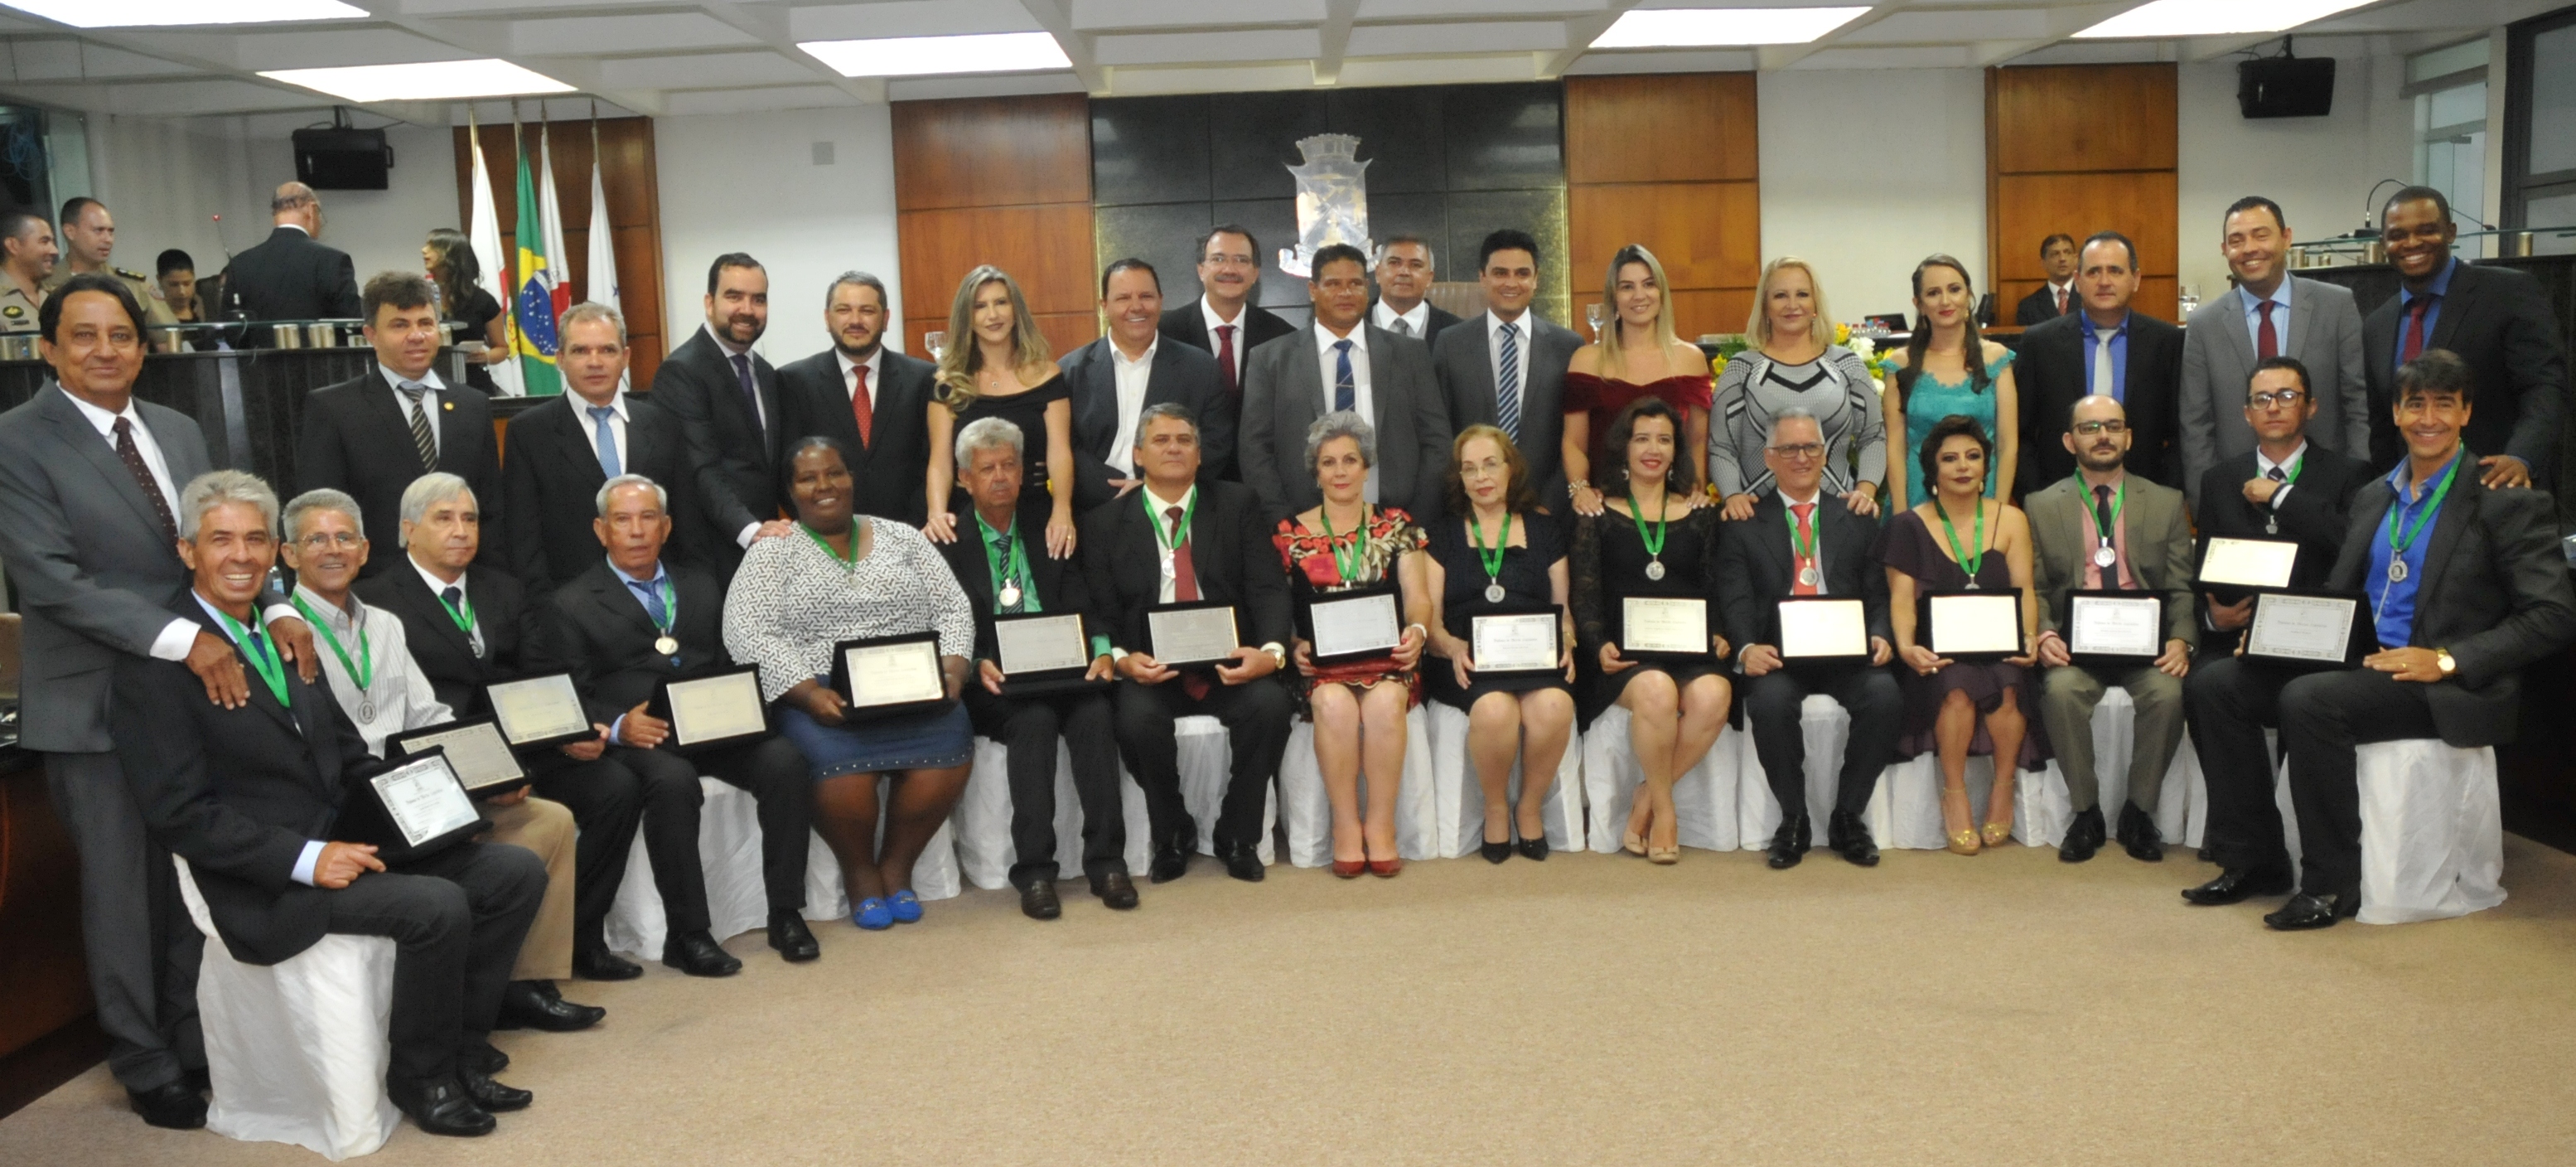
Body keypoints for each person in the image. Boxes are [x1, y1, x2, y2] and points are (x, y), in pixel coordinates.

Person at [114, 470, 544, 1138]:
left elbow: (348, 754)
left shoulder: (285, 635)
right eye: (221, 540)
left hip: (344, 837)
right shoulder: (159, 666)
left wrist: (422, 810)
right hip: (264, 882)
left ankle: (461, 1051)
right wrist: (307, 859)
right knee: (435, 905)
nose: (241, 555)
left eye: (255, 539)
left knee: (512, 871)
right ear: (187, 550)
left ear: (272, 552)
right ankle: (422, 1077)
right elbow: (181, 815)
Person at [0, 275, 318, 1128]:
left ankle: (193, 1036)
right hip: (96, 702)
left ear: (145, 347)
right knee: (121, 892)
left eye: (121, 335)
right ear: (48, 348)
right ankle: (143, 1059)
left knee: (192, 875)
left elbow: (225, 537)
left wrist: (276, 606)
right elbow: (50, 580)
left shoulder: (177, 428)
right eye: (84, 335)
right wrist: (187, 639)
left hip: (192, 696)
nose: (105, 350)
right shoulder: (15, 440)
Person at [2185, 350, 2576, 929]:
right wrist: (2274, 642)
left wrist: (2447, 660)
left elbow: (2553, 614)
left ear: (2466, 413)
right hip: (2360, 661)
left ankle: (2331, 883)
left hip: (2438, 682)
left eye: (2444, 405)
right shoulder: (2374, 496)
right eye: (2415, 404)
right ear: (2396, 413)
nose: (2428, 419)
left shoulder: (2505, 501)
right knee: (2216, 684)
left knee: (2308, 700)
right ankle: (2254, 859)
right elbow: (2339, 594)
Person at [278, 487, 601, 1033]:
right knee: (482, 855)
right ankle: (472, 1000)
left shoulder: (385, 624)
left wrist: (491, 776)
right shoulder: (284, 633)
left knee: (549, 820)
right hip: (354, 802)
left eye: (345, 538)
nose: (333, 550)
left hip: (420, 786)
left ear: (364, 549)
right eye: (316, 540)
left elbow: (428, 715)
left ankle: (522, 984)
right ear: (289, 554)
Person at [355, 474, 651, 984]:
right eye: (444, 519)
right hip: (439, 758)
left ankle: (581, 938)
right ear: (408, 530)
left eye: (469, 519)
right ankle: (506, 971)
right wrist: (491, 771)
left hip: (522, 745)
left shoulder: (504, 588)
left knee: (616, 786)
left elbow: (538, 673)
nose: (461, 531)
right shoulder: (376, 601)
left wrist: (571, 731)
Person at [547, 474, 817, 967]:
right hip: (645, 737)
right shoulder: (570, 602)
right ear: (601, 530)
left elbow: (728, 659)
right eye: (622, 520)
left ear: (667, 527)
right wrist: (618, 725)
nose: (637, 531)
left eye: (648, 518)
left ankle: (786, 913)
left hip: (714, 725)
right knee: (672, 783)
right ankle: (687, 934)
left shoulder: (701, 583)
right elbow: (571, 692)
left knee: (785, 761)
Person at [723, 437, 976, 930]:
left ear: (852, 478)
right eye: (808, 478)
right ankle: (860, 874)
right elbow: (749, 631)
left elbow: (951, 606)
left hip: (914, 683)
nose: (825, 486)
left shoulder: (902, 537)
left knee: (946, 751)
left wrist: (954, 668)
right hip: (821, 693)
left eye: (835, 473)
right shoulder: (772, 552)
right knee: (845, 776)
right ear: (790, 491)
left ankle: (896, 867)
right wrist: (806, 693)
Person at [1080, 404, 1294, 884]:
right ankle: (1172, 832)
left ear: (1199, 455)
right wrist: (1121, 659)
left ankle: (1238, 835)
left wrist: (1271, 654)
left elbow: (1268, 589)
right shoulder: (1104, 524)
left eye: (1184, 440)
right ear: (1138, 455)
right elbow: (1099, 609)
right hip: (1152, 667)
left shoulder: (1237, 504)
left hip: (1228, 662)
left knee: (1270, 706)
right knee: (1135, 720)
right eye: (1161, 440)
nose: (1174, 448)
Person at [934, 419, 1136, 918]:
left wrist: (1103, 649)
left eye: (1009, 465)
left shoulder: (1053, 523)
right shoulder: (947, 541)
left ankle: (1108, 864)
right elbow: (942, 623)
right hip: (997, 679)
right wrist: (974, 663)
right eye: (987, 469)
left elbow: (1089, 597)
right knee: (1034, 721)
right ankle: (1036, 872)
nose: (1000, 476)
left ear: (1024, 471)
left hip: (1064, 666)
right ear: (965, 479)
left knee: (1094, 713)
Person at [1716, 409, 1901, 869]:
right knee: (1770, 702)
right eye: (1789, 449)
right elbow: (1734, 597)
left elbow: (1877, 593)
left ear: (1825, 453)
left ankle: (1848, 817)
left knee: (1885, 696)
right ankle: (1793, 819)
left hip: (1846, 652)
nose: (1801, 457)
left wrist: (1880, 635)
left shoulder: (1856, 516)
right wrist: (1746, 648)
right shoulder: (1744, 521)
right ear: (1768, 458)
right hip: (1778, 653)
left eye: (1811, 447)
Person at [2027, 395, 2196, 863]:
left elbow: (2181, 586)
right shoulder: (2040, 505)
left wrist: (2181, 639)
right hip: (2075, 644)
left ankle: (2139, 812)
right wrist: (2044, 633)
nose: (2103, 436)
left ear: (2129, 437)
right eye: (2090, 427)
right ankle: (2086, 813)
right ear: (2069, 441)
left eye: (2113, 426)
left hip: (2147, 645)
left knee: (2168, 695)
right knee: (2060, 693)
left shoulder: (2165, 501)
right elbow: (2035, 587)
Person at [1570, 397, 1732, 864]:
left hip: (1689, 648)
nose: (1652, 449)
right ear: (1623, 447)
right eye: (1641, 438)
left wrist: (1720, 631)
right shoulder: (1597, 513)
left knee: (1715, 694)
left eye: (1664, 439)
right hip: (1625, 655)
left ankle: (1646, 798)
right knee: (1658, 691)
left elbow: (1714, 584)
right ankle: (1665, 813)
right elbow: (1585, 593)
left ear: (1676, 450)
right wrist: (1598, 644)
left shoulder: (1700, 512)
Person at [1274, 411, 1431, 877]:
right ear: (1316, 472)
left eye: (1350, 460)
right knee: (1334, 706)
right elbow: (1276, 608)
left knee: (1384, 704)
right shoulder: (1288, 534)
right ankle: (1345, 824)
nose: (1340, 471)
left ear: (1366, 467)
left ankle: (1380, 824)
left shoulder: (1397, 524)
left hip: (1389, 659)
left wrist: (1418, 633)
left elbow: (1419, 598)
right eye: (1329, 462)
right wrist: (1293, 643)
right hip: (1320, 667)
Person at [1882, 416, 2046, 855]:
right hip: (1938, 647)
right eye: (1950, 459)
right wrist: (1906, 647)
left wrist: (2029, 636)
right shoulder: (1907, 525)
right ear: (1932, 470)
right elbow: (1901, 599)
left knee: (2010, 685)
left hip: (1998, 641)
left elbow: (2025, 588)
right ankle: (1954, 796)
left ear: (1985, 467)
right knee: (1955, 689)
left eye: (1973, 457)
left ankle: (2002, 789)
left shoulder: (2011, 519)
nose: (1963, 466)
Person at [1421, 424, 1576, 862]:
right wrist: (1451, 647)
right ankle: (1494, 808)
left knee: (1554, 706)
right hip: (1468, 661)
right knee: (1494, 710)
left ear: (1511, 469)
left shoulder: (1545, 530)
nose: (1481, 477)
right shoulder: (1442, 534)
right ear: (1459, 478)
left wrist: (1566, 639)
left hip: (1534, 658)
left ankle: (1528, 805)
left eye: (1490, 465)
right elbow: (1430, 620)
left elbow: (1563, 609)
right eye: (1469, 469)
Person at [297, 271, 504, 578]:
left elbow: (491, 508)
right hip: (376, 587)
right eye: (400, 325)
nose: (416, 335)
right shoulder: (333, 409)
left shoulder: (473, 405)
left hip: (465, 583)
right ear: (371, 334)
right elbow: (320, 514)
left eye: (425, 323)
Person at [2363, 185, 2568, 490]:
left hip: (2495, 488)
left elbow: (2544, 386)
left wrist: (2521, 457)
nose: (2412, 242)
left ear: (2451, 232)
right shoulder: (2377, 324)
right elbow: (2382, 424)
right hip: (2413, 497)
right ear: (2383, 244)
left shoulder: (2508, 292)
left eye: (2427, 230)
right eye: (2397, 235)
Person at [1240, 242, 1453, 525]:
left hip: (1397, 522)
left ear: (1367, 288)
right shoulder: (1270, 359)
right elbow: (1254, 450)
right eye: (1333, 284)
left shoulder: (1409, 354)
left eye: (1355, 283)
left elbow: (1437, 442)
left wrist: (1415, 521)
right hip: (1304, 525)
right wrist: (1286, 524)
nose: (1345, 293)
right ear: (1313, 290)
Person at [2178, 196, 2371, 508]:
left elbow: (2358, 405)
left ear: (2286, 238)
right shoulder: (2204, 324)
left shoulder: (2336, 306)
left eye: (2261, 235)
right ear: (2224, 249)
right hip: (2237, 499)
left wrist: (2359, 491)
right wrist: (2206, 503)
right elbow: (2196, 424)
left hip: (2326, 496)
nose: (2250, 248)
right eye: (2237, 240)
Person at [504, 301, 694, 593]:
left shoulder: (662, 425)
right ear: (560, 358)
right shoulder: (529, 432)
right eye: (580, 351)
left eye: (607, 350)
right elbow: (523, 540)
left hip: (658, 597)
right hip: (568, 603)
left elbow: (687, 525)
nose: (595, 362)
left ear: (625, 357)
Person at [2190, 356, 2371, 657]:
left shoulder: (2349, 474)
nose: (2273, 408)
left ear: (2311, 407)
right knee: (2206, 681)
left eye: (2286, 396)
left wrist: (2281, 496)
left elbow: (2349, 545)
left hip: (2314, 637)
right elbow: (2203, 572)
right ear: (2248, 414)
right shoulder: (2218, 480)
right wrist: (2212, 619)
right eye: (2261, 399)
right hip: (2235, 640)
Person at [1711, 257, 1885, 521]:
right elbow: (1722, 446)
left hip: (1839, 518)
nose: (1792, 305)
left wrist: (1866, 490)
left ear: (1815, 303)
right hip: (1759, 521)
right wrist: (1732, 495)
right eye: (1780, 295)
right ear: (1765, 306)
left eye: (1802, 294)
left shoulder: (1847, 365)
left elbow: (1873, 436)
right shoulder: (1741, 370)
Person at [654, 253, 791, 581]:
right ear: (709, 302)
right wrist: (750, 530)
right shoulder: (681, 372)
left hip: (766, 551)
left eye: (758, 299)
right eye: (734, 296)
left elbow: (769, 468)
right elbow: (701, 468)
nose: (747, 309)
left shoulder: (766, 373)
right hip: (710, 558)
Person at [924, 266, 1075, 558]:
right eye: (980, 306)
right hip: (969, 517)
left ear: (1016, 310)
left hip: (1037, 514)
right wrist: (937, 513)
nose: (992, 315)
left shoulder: (1048, 376)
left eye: (1001, 303)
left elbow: (1060, 453)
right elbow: (940, 461)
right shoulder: (947, 384)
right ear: (967, 317)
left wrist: (1062, 510)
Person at [1060, 257, 1235, 507]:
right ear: (1104, 306)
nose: (1136, 307)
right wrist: (1109, 490)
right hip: (1093, 506)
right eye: (1123, 298)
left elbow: (1214, 444)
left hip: (1175, 504)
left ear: (1161, 301)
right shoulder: (1071, 371)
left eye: (1146, 296)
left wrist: (1153, 488)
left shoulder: (1201, 368)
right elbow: (1064, 446)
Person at [2018, 231, 2187, 491]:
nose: (2104, 282)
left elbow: (2181, 433)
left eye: (2115, 271)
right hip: (2059, 497)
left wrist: (2166, 495)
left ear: (2135, 279)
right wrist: (2035, 497)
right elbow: (2020, 433)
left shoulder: (2167, 342)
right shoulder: (2040, 343)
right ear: (2078, 281)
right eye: (2094, 272)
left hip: (2146, 496)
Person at [776, 270, 938, 525]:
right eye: (844, 310)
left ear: (885, 319)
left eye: (867, 311)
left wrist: (909, 531)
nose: (855, 320)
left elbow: (933, 463)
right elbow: (786, 471)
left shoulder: (924, 379)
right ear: (827, 318)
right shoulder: (794, 382)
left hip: (911, 533)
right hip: (824, 536)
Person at [1562, 245, 1712, 517]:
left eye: (1648, 284)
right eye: (1627, 287)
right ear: (1614, 298)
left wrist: (1695, 490)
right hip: (1602, 508)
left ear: (1661, 293)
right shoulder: (1586, 360)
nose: (1639, 295)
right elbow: (1574, 442)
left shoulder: (1691, 359)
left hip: (1673, 506)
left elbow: (1697, 440)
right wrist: (1580, 489)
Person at [1432, 229, 1579, 503]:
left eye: (1522, 273)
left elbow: (1575, 437)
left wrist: (1551, 504)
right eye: (1500, 273)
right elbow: (1440, 434)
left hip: (1547, 505)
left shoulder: (1568, 346)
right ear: (1482, 277)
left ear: (1536, 279)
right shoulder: (1450, 344)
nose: (1511, 283)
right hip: (1470, 504)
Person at [1883, 254, 2019, 511]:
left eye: (1954, 289)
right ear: (1919, 304)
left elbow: (2007, 444)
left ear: (1968, 295)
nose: (1945, 301)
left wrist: (1999, 513)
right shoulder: (1900, 364)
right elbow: (1895, 449)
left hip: (1983, 497)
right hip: (1916, 500)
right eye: (1933, 293)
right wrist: (1902, 519)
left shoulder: (1996, 359)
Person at [1158, 224, 1296, 398]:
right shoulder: (1164, 333)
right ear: (1201, 270)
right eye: (1218, 259)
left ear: (1255, 273)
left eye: (1241, 260)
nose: (1230, 269)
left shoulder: (1282, 338)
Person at [219, 182, 362, 326]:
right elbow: (355, 319)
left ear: (275, 215)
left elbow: (230, 328)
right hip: (318, 341)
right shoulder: (332, 261)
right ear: (311, 210)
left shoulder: (240, 265)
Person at [42, 198, 176, 325]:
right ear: (70, 232)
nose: (108, 239)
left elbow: (169, 336)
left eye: (111, 232)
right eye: (98, 230)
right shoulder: (45, 285)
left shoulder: (134, 285)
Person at [423, 227, 508, 394]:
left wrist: (486, 356)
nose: (423, 250)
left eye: (431, 246)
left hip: (472, 385)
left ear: (450, 255)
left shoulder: (482, 300)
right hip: (428, 383)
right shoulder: (419, 297)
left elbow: (502, 349)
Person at [1370, 235, 1460, 343]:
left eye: (1415, 265)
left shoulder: (1457, 332)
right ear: (1378, 273)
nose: (1404, 272)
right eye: (1394, 263)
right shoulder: (1353, 324)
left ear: (1429, 278)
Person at [0, 206, 57, 333]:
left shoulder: (57, 296)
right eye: (44, 241)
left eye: (52, 242)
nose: (54, 251)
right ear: (13, 246)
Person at [2014, 233, 2079, 327]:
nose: (2062, 259)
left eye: (2067, 252)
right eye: (2055, 254)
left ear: (2076, 259)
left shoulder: (2090, 299)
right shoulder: (2028, 306)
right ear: (2043, 263)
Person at [156, 249, 205, 324]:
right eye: (174, 285)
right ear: (160, 280)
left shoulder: (205, 309)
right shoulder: (154, 316)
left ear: (194, 277)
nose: (182, 292)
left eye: (187, 284)